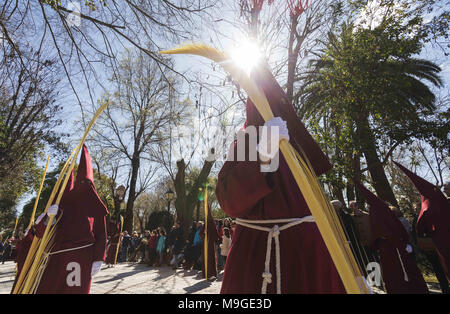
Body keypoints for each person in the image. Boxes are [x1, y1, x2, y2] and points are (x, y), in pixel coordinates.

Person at [215, 63, 346, 294]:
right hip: (254, 254)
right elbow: (229, 202)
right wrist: (261, 155)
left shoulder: (299, 144)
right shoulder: (244, 141)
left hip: (306, 253)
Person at [35, 145, 108, 294]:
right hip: (56, 256)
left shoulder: (94, 204)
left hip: (80, 257)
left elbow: (101, 234)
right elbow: (43, 233)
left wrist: (99, 258)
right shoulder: (64, 200)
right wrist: (49, 219)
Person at [356, 181, 428, 294]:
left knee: (404, 275)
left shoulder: (382, 214)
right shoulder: (376, 215)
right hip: (391, 249)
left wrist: (403, 243)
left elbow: (398, 230)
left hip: (396, 248)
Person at [395, 162, 450, 291]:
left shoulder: (437, 204)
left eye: (446, 188)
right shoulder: (434, 205)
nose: (444, 190)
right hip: (438, 242)